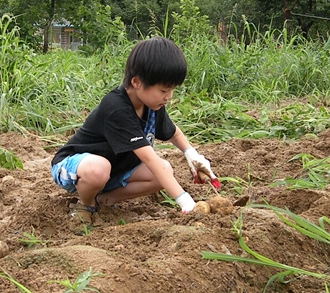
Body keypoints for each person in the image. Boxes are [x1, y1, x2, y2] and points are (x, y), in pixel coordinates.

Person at [51, 36, 220, 230]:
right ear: (137, 82)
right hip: (74, 166)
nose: (169, 96)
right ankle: (86, 205)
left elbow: (173, 132)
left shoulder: (152, 105)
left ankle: (104, 199)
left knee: (164, 171)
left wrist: (191, 155)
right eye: (164, 89)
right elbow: (149, 158)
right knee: (100, 168)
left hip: (113, 170)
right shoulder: (116, 107)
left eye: (172, 89)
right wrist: (184, 201)